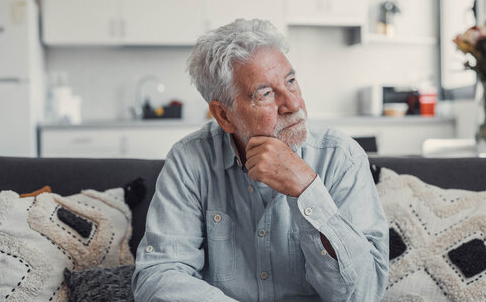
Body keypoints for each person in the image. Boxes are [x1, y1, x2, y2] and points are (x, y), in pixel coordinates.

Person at [132, 19, 389, 301]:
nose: (293, 104)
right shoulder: (189, 161)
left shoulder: (343, 157)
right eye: (265, 94)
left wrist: (308, 190)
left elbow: (363, 294)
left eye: (291, 81)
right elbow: (159, 275)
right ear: (224, 116)